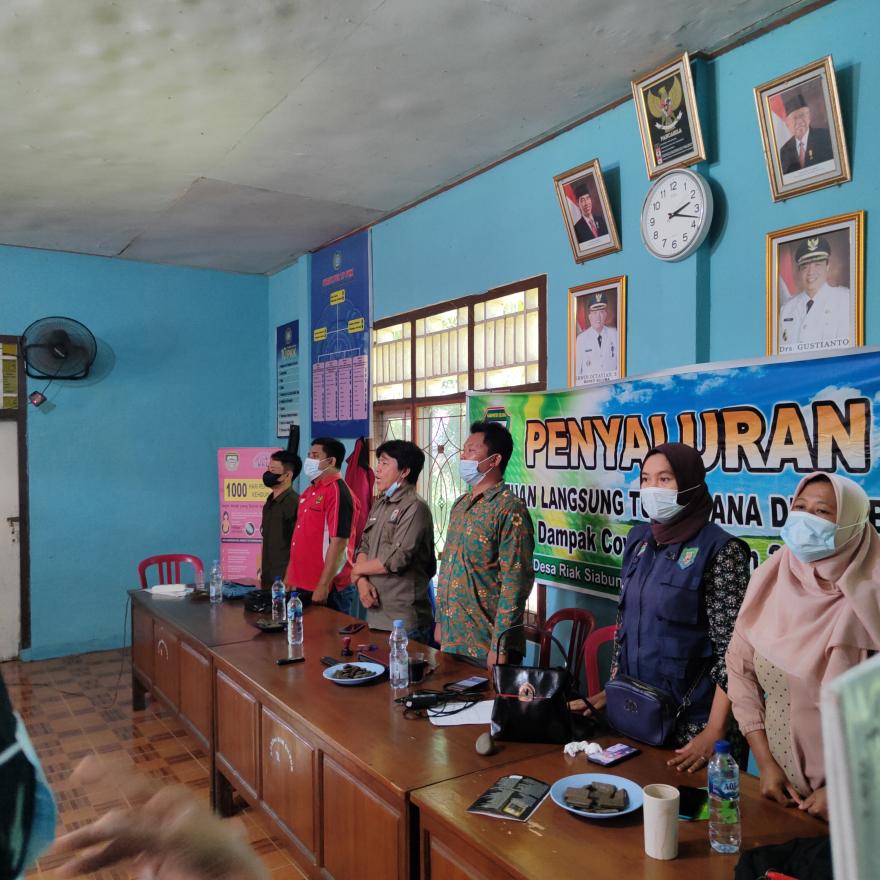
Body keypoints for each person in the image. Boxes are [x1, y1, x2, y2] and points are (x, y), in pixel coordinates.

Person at [575, 443, 751, 771]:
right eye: (645, 479)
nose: (652, 488)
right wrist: (613, 691)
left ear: (690, 485)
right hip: (636, 713)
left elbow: (736, 652)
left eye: (665, 479)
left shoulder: (722, 551)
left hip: (694, 729)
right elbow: (625, 626)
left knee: (692, 805)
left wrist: (715, 729)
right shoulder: (638, 540)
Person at [726, 473, 880, 822]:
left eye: (822, 511)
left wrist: (845, 789)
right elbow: (739, 668)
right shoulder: (771, 578)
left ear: (852, 523)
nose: (806, 519)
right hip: (778, 790)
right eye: (800, 507)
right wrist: (765, 761)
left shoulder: (872, 598)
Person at [49, 757, 266, 879]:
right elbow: (149, 795)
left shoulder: (189, 837)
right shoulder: (185, 819)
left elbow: (149, 833)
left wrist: (94, 858)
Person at [435, 421, 534, 673]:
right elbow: (448, 566)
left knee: (488, 700)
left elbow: (516, 581)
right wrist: (440, 621)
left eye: (471, 451)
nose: (463, 456)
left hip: (487, 645)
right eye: (464, 450)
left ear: (494, 460)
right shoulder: (460, 505)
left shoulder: (510, 508)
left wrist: (500, 647)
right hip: (452, 638)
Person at [351, 440, 436, 643]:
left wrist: (356, 571)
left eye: (384, 463)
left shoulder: (415, 507)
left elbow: (397, 559)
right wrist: (361, 580)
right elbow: (364, 546)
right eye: (378, 462)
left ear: (404, 471)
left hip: (404, 623)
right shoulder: (380, 503)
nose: (377, 469)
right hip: (375, 616)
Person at [285, 437, 359, 613]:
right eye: (309, 455)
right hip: (303, 583)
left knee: (330, 631)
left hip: (328, 587)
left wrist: (323, 585)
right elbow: (299, 538)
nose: (309, 460)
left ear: (331, 461)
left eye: (315, 455)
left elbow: (339, 543)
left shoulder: (338, 491)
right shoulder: (310, 491)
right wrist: (290, 575)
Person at [778, 236, 851, 352]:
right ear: (799, 271)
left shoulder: (846, 301)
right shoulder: (787, 309)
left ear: (827, 267)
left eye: (817, 265)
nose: (811, 272)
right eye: (805, 266)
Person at [258, 443, 301, 589]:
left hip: (285, 581)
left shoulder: (295, 504)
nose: (268, 474)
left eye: (273, 470)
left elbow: (299, 546)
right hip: (267, 578)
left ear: (288, 475)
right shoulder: (269, 502)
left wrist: (290, 577)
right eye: (268, 469)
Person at [778, 92, 833, 176]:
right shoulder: (784, 151)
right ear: (787, 124)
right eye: (795, 118)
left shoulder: (825, 137)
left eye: (802, 115)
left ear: (809, 116)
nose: (800, 121)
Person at [574, 291, 618, 385]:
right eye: (594, 313)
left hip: (612, 388)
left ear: (606, 314)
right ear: (589, 316)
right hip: (589, 389)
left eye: (601, 312)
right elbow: (577, 374)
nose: (598, 317)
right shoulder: (581, 339)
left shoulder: (615, 334)